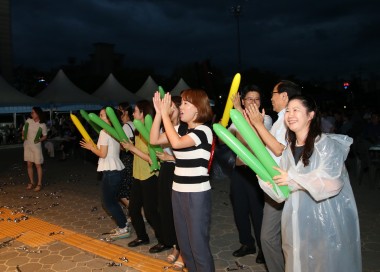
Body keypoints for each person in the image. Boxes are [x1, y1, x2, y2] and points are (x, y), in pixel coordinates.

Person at [259, 95, 361, 271]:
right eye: (288, 111)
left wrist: (294, 180)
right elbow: (282, 191)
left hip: (325, 222)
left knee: (324, 264)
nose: (290, 114)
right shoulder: (289, 149)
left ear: (311, 115)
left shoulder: (325, 145)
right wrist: (267, 181)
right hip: (296, 223)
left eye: (296, 110)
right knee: (297, 261)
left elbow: (333, 183)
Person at [155, 90, 215, 271]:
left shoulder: (204, 130)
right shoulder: (181, 129)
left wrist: (165, 115)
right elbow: (154, 139)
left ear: (198, 108)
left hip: (197, 193)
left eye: (185, 103)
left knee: (198, 246)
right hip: (178, 190)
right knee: (185, 245)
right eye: (180, 103)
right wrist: (159, 113)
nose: (180, 107)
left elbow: (177, 144)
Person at [244, 80, 301, 272]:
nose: (271, 98)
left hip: (284, 186)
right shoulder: (280, 119)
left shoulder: (289, 119)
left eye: (273, 93)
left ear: (284, 96)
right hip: (275, 185)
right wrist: (255, 126)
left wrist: (259, 124)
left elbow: (279, 150)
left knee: (270, 237)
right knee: (274, 237)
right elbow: (267, 145)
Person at [228, 85, 272, 263]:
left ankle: (264, 249)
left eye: (257, 99)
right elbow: (231, 140)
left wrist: (239, 111)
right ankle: (247, 243)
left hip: (257, 171)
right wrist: (239, 116)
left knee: (257, 211)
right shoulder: (236, 118)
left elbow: (248, 140)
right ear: (243, 100)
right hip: (239, 171)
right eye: (250, 99)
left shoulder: (265, 118)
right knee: (239, 209)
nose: (254, 102)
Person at [121, 100, 169, 254]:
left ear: (143, 114)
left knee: (151, 211)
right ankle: (142, 237)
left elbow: (151, 158)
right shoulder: (137, 130)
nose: (132, 114)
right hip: (137, 174)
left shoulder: (153, 132)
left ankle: (164, 240)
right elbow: (136, 152)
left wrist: (132, 148)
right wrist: (128, 146)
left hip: (150, 175)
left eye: (135, 111)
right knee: (133, 209)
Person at [80, 107, 130, 240]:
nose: (99, 117)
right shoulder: (114, 131)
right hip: (117, 169)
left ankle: (123, 227)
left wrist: (91, 147)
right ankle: (123, 225)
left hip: (110, 171)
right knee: (112, 200)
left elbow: (102, 154)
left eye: (102, 115)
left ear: (109, 118)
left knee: (108, 202)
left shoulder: (103, 132)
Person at [150, 94, 184, 269]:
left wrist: (170, 157)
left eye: (170, 106)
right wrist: (158, 113)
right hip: (166, 171)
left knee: (179, 212)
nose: (168, 109)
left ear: (179, 109)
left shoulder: (185, 129)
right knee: (165, 210)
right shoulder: (167, 127)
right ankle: (174, 245)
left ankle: (181, 249)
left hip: (180, 172)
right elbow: (153, 140)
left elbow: (192, 159)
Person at [23, 107, 48, 192]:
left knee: (38, 165)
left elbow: (45, 136)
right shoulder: (28, 121)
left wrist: (39, 139)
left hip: (36, 147)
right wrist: (23, 135)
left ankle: (39, 183)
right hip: (27, 145)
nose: (31, 114)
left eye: (33, 112)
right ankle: (31, 182)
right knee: (29, 164)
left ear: (38, 113)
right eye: (31, 112)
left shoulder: (42, 125)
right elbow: (23, 131)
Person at [117, 102, 135, 209]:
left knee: (122, 190)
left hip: (127, 159)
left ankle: (135, 211)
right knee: (131, 188)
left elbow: (124, 146)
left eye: (120, 110)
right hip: (135, 158)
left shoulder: (125, 126)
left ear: (126, 112)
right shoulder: (134, 124)